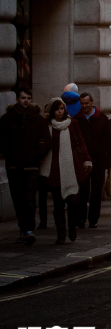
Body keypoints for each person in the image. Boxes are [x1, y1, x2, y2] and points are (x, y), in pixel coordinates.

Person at [0, 89, 50, 245]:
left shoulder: (38, 119)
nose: (26, 101)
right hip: (13, 166)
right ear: (17, 99)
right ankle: (23, 229)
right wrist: (9, 154)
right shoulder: (7, 119)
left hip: (31, 166)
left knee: (29, 198)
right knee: (18, 199)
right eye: (23, 98)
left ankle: (29, 230)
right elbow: (1, 140)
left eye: (28, 98)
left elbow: (46, 141)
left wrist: (36, 155)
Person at [40, 99, 90, 244]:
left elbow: (80, 141)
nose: (60, 111)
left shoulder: (72, 124)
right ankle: (60, 233)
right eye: (57, 109)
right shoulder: (47, 126)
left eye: (62, 108)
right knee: (58, 204)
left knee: (74, 201)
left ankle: (72, 227)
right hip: (54, 167)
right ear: (52, 112)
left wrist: (87, 159)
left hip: (71, 166)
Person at [75, 93, 111, 229]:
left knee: (97, 190)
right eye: (82, 104)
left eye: (87, 103)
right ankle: (80, 218)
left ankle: (93, 219)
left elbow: (110, 138)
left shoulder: (101, 118)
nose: (85, 106)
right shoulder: (77, 119)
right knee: (83, 190)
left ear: (92, 102)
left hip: (99, 158)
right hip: (83, 160)